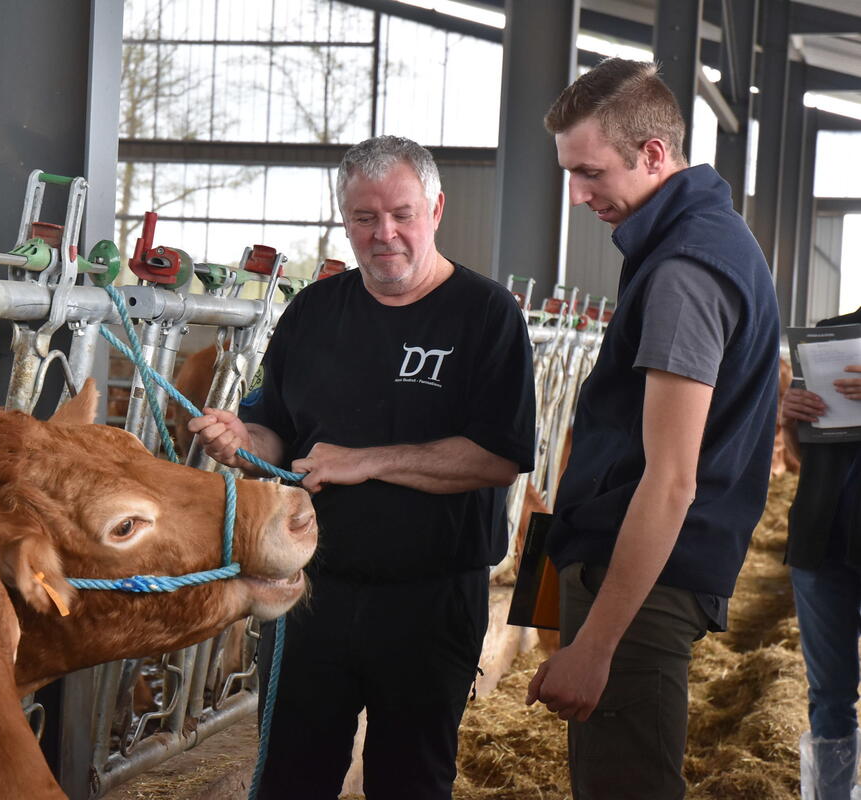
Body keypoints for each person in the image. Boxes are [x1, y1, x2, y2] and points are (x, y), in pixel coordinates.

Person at [189, 135, 536, 799]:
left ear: (435, 209)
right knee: (291, 777)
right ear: (342, 219)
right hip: (312, 590)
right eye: (363, 218)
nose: (384, 235)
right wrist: (240, 440)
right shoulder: (314, 311)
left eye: (401, 214)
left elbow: (500, 456)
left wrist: (366, 462)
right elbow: (280, 438)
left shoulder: (485, 315)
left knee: (410, 780)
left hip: (431, 598)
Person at [525, 58, 780, 800]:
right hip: (642, 574)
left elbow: (670, 480)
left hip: (638, 584)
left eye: (589, 173)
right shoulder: (700, 240)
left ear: (653, 155)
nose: (577, 196)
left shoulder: (683, 271)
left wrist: (595, 644)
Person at [782, 305, 861, 800]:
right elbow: (797, 451)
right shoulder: (831, 336)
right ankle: (832, 795)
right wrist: (790, 418)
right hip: (821, 536)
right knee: (829, 693)